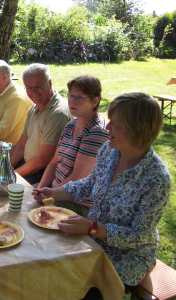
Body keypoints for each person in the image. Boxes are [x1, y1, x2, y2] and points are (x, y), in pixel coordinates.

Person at [36, 92, 170, 292]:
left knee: (74, 286)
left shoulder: (156, 178)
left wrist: (93, 228)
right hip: (92, 238)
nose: (107, 128)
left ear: (136, 130)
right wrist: (55, 192)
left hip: (127, 256)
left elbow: (139, 235)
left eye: (114, 124)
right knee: (44, 260)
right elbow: (90, 183)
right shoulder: (109, 150)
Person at [33, 75, 108, 191]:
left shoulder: (97, 133)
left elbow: (77, 177)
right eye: (71, 96)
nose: (72, 101)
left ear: (95, 101)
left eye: (79, 97)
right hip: (54, 190)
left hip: (74, 200)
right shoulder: (71, 125)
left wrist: (51, 194)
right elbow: (54, 162)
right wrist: (41, 187)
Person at [10, 64, 70, 184]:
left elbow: (43, 160)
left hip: (42, 174)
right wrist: (5, 169)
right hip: (29, 165)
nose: (34, 93)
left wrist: (12, 175)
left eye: (38, 87)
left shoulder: (57, 114)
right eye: (29, 88)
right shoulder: (34, 108)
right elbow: (21, 145)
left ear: (50, 83)